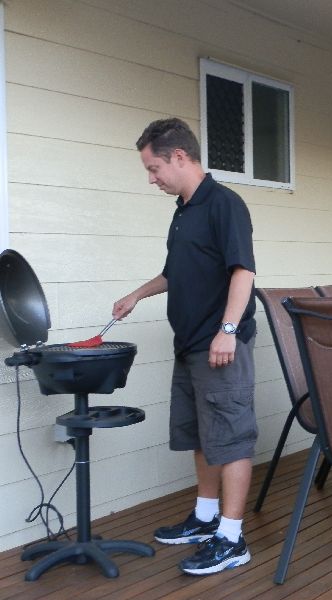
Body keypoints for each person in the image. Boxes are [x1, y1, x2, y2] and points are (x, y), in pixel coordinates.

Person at [112, 118, 258, 575]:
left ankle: (232, 539)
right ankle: (205, 516)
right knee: (203, 436)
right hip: (190, 346)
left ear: (179, 157)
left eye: (154, 168)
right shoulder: (184, 210)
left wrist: (228, 330)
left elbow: (243, 272)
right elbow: (175, 273)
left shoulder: (224, 205)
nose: (151, 178)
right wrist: (137, 294)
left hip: (220, 347)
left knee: (231, 440)